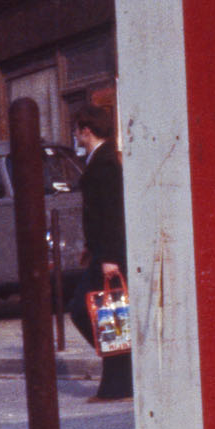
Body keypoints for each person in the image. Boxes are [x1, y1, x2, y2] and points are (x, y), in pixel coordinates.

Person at [59, 105, 131, 401]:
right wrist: (92, 248)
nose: (75, 135)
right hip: (102, 251)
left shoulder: (104, 165)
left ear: (86, 130)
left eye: (76, 129)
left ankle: (122, 378)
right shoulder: (100, 161)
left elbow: (112, 213)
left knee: (84, 310)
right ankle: (119, 383)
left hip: (110, 254)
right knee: (107, 316)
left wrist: (110, 256)